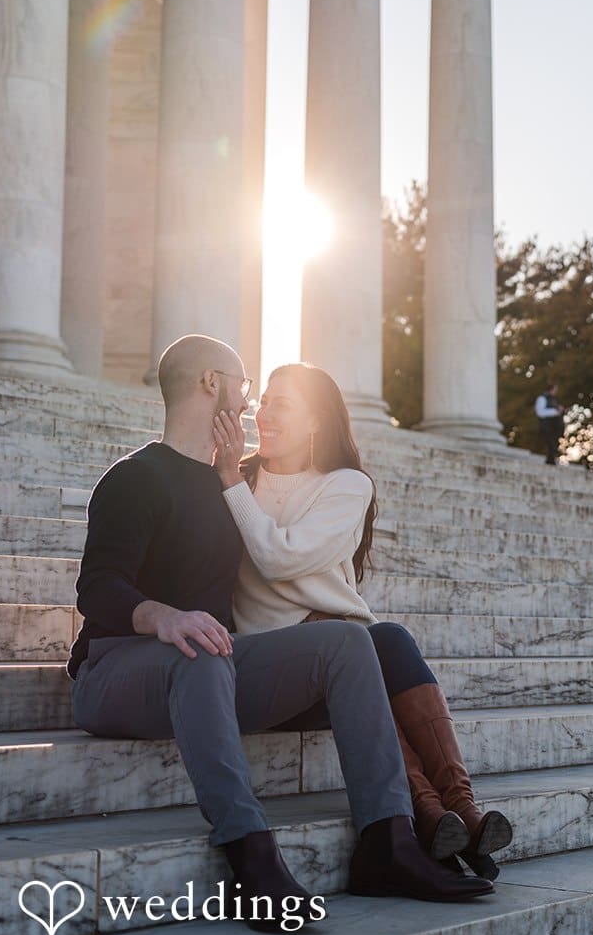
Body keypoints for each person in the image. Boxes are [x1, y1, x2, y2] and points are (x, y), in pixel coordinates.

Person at [71, 335, 490, 935]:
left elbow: (279, 554)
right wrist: (164, 617)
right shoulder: (134, 477)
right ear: (212, 384)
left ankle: (388, 842)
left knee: (352, 641)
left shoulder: (231, 488)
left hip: (213, 668)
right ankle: (252, 859)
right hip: (116, 671)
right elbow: (99, 588)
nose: (250, 401)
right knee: (203, 647)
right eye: (244, 384)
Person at [212, 364, 514, 881]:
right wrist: (230, 479)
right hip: (282, 664)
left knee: (390, 640)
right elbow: (277, 559)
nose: (263, 412)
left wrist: (231, 484)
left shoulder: (347, 485)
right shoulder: (238, 482)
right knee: (359, 644)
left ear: (316, 423)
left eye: (281, 403)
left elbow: (278, 557)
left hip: (346, 651)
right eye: (262, 400)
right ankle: (435, 812)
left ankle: (458, 812)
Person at [534, 381, 565, 466]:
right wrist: (555, 412)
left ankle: (550, 460)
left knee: (554, 443)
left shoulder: (553, 400)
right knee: (551, 443)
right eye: (555, 390)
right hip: (546, 426)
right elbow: (540, 412)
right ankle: (550, 461)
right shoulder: (542, 398)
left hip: (554, 427)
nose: (556, 392)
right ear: (551, 389)